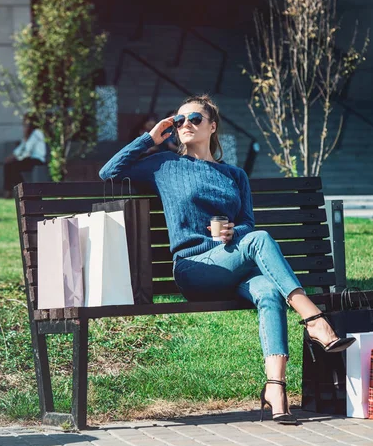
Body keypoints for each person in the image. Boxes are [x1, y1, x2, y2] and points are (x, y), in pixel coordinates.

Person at [99, 94, 355, 424]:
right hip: (195, 269)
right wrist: (150, 138)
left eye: (194, 118)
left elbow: (248, 222)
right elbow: (109, 172)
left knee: (266, 290)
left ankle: (276, 390)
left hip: (232, 262)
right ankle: (314, 320)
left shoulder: (235, 175)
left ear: (212, 126)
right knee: (259, 240)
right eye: (179, 121)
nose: (185, 124)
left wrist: (236, 231)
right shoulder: (164, 164)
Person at [3, 114, 47, 198]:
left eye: (26, 123)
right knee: (8, 165)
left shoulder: (37, 133)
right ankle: (9, 191)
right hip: (28, 159)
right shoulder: (29, 135)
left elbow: (27, 150)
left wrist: (16, 158)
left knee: (13, 166)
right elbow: (20, 149)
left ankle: (24, 190)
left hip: (37, 160)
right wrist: (12, 157)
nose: (24, 126)